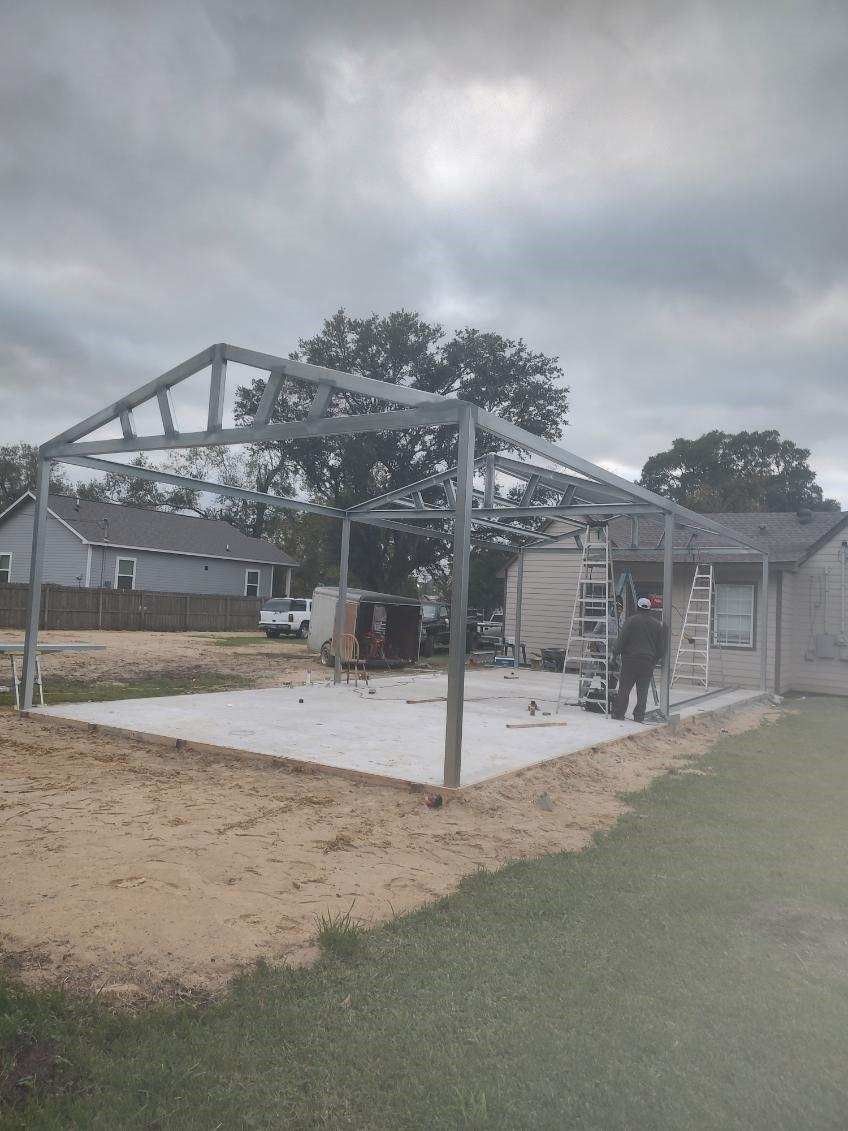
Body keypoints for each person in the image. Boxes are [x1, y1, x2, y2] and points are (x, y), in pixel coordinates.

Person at [611, 597, 666, 722]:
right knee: (643, 691)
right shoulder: (657, 625)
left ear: (638, 607)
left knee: (624, 689)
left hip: (630, 660)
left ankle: (619, 713)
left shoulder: (631, 621)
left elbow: (621, 640)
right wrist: (653, 660)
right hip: (647, 662)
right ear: (649, 609)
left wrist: (615, 653)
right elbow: (661, 649)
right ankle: (639, 716)